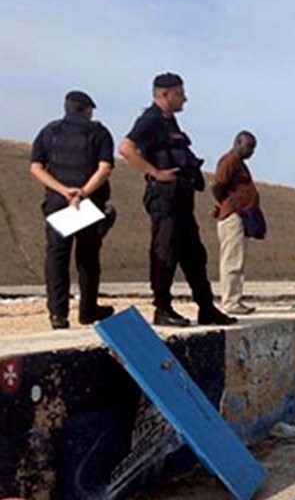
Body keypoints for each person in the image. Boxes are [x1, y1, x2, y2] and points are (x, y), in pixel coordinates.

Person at [119, 72, 235, 327]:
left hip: (182, 199)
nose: (185, 99)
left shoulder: (169, 122)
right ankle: (162, 308)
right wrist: (155, 173)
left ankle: (206, 307)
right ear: (164, 94)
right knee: (165, 251)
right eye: (180, 94)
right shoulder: (150, 119)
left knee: (194, 254)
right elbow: (126, 148)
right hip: (164, 198)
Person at [29, 90, 116, 329]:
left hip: (58, 203)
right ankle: (88, 310)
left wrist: (63, 191)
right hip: (87, 204)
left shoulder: (49, 131)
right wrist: (82, 193)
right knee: (87, 258)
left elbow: (36, 168)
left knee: (57, 258)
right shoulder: (98, 132)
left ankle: (58, 315)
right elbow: (105, 168)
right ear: (87, 110)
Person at [212, 130, 263, 315]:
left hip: (241, 216)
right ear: (238, 143)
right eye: (249, 147)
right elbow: (218, 185)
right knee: (231, 260)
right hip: (233, 216)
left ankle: (236, 298)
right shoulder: (229, 161)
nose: (251, 152)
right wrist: (225, 203)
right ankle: (230, 302)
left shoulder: (240, 164)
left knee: (238, 259)